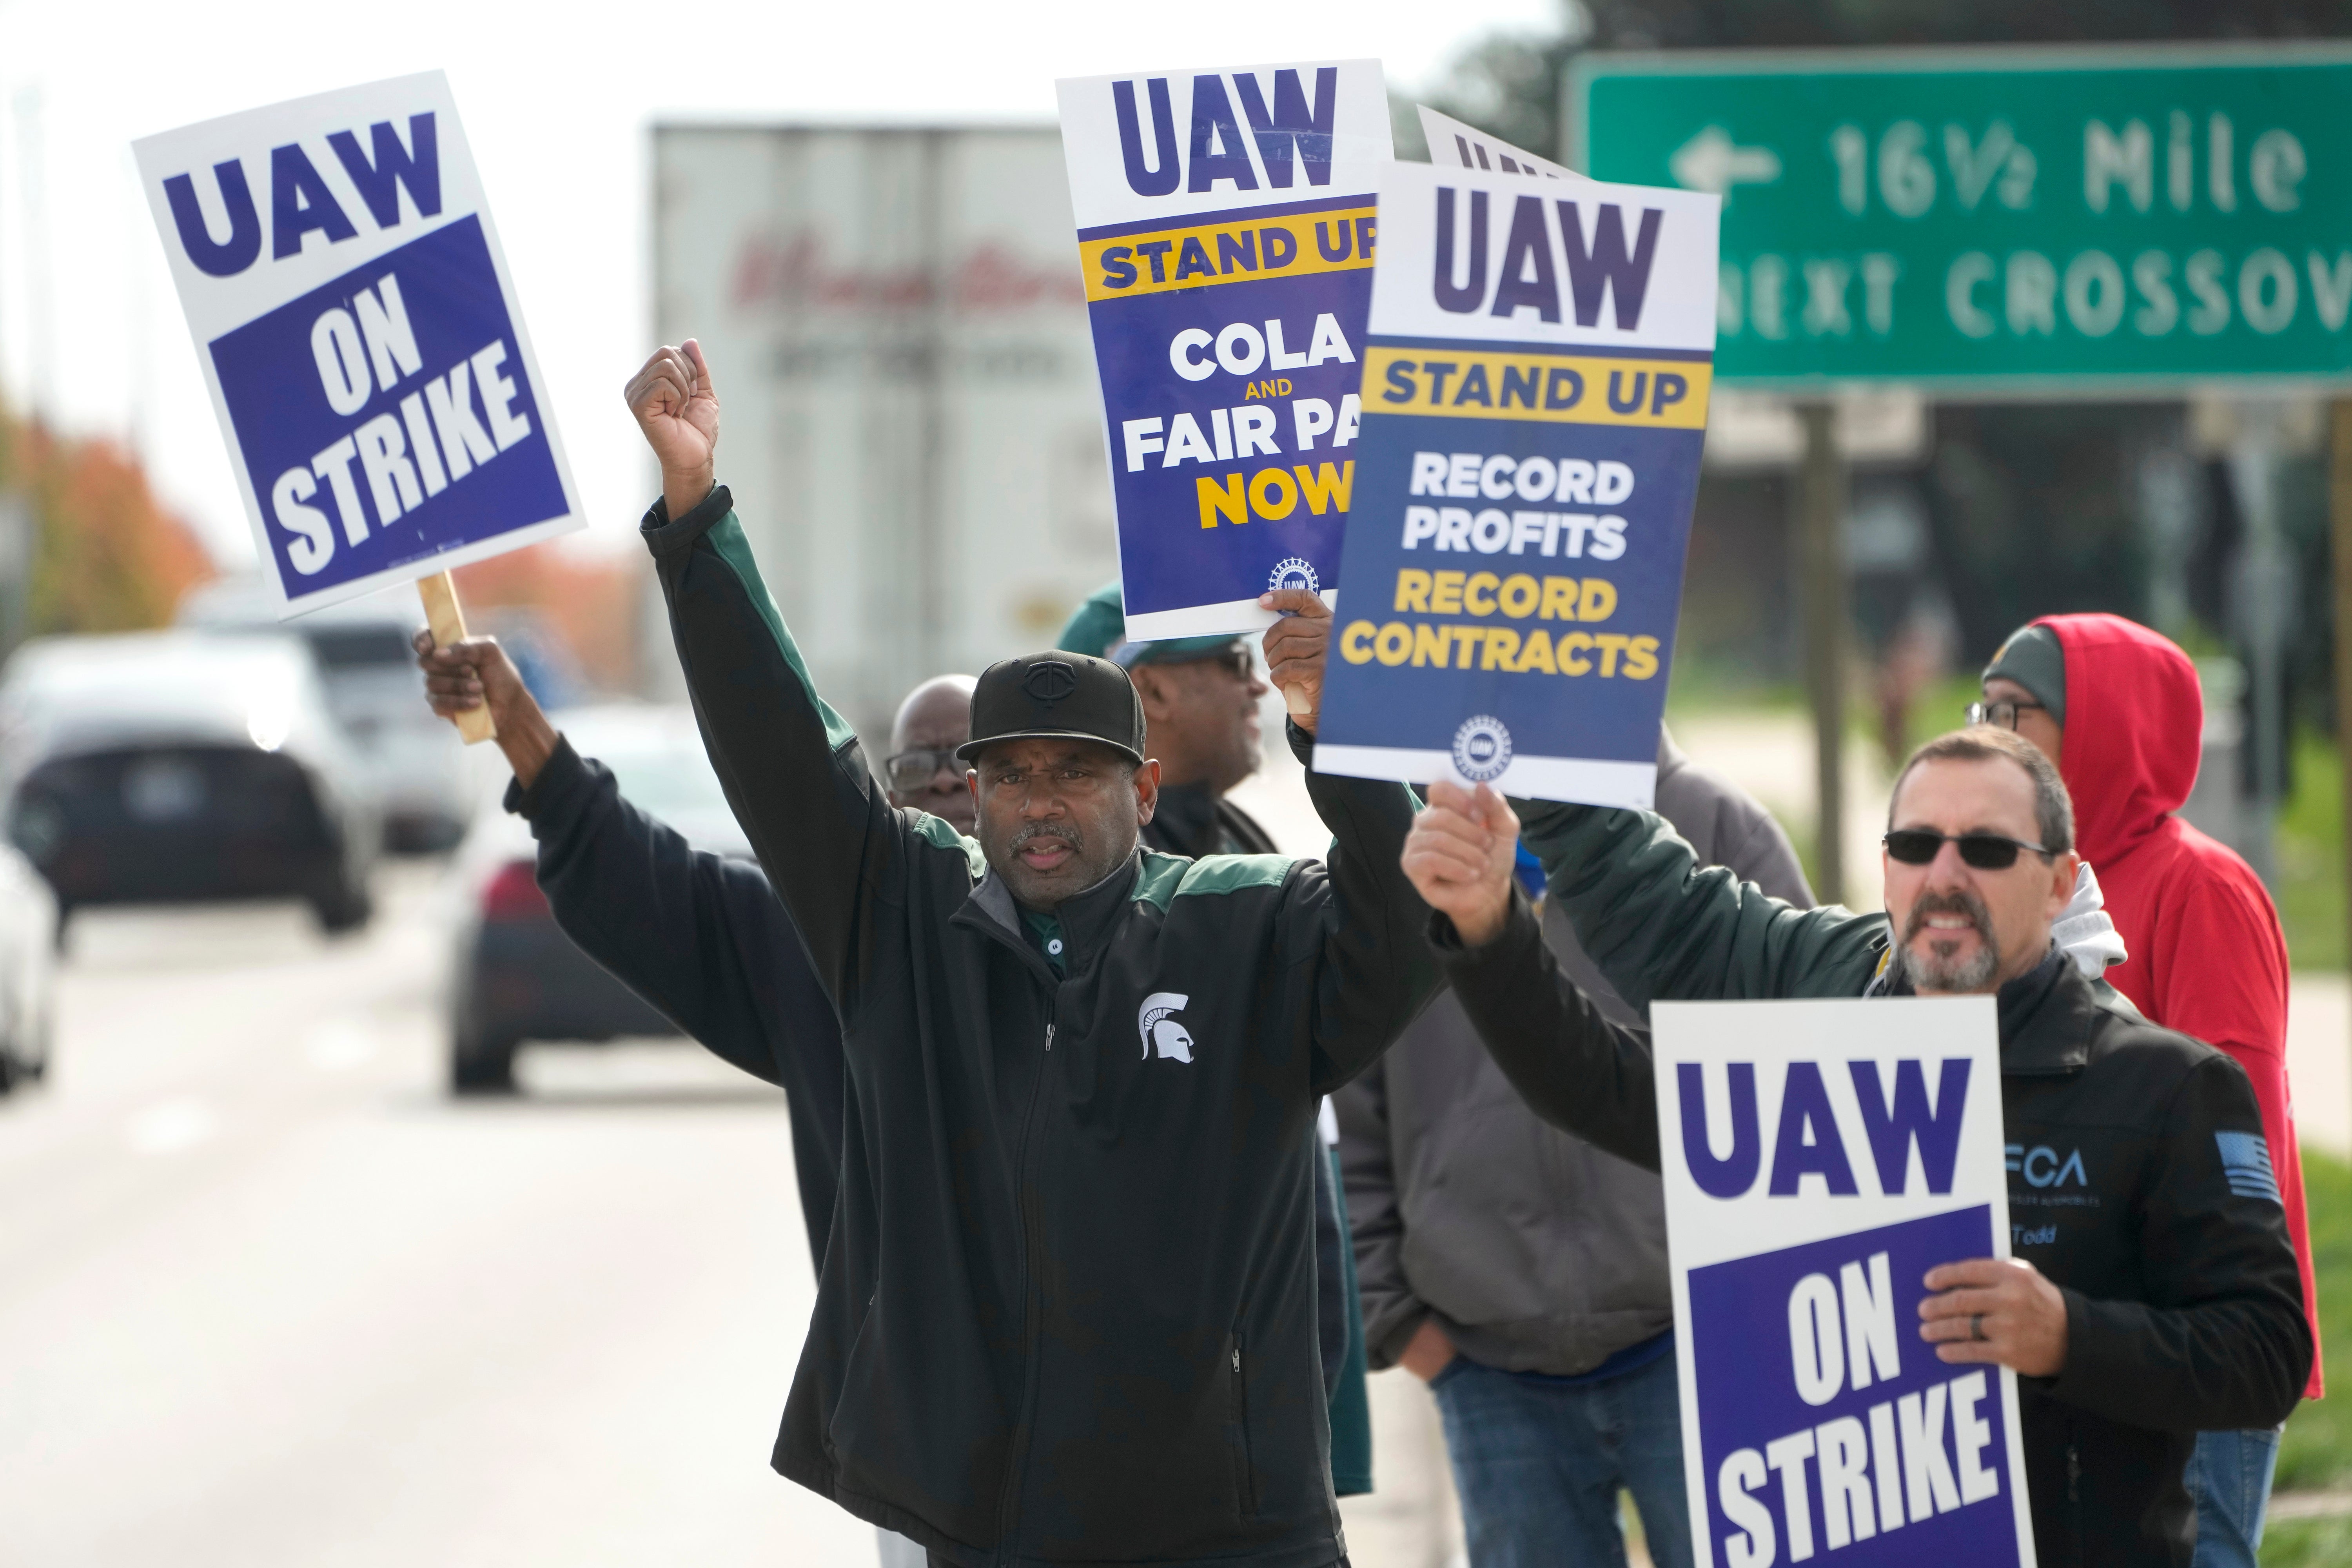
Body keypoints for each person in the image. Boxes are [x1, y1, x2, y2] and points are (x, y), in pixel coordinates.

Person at [624, 339, 1434, 1566]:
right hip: (991, 1526)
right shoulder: (906, 926)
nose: (1037, 805)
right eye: (1008, 777)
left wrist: (1343, 733)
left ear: (1146, 786)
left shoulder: (1245, 926)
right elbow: (791, 755)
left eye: (1074, 775)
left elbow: (1404, 931)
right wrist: (697, 516)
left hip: (1235, 1530)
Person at [1401, 727, 2311, 1568]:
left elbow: (2267, 1351)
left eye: (1988, 849)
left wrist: (2068, 1333)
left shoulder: (2166, 1086)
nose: (1945, 876)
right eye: (1915, 846)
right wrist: (1489, 936)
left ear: (2063, 879)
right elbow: (1595, 1085)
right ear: (1886, 869)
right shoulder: (1817, 1061)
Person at [413, 641, 975, 1568]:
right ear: (889, 797)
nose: (952, 780)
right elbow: (640, 874)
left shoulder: (1118, 940)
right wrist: (517, 725)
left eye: (976, 757)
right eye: (922, 763)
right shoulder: (819, 955)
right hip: (929, 1448)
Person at [1336, 727, 1811, 1568]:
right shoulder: (1409, 839)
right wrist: (1399, 1317)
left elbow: (1804, 1072)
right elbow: (1349, 1090)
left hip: (1702, 1341)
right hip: (1487, 1359)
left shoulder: (1714, 822)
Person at [1978, 614, 2321, 1568]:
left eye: (2017, 712)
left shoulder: (2199, 885)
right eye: (1982, 707)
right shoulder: (2024, 881)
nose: (1991, 733)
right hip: (2076, 1331)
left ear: (2107, 727)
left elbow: (2224, 1118)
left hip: (2184, 1335)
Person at [1060, 582, 1375, 1497]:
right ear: (1150, 692)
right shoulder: (1082, 892)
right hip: (1176, 1451)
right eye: (1236, 663)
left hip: (1272, 1421)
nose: (1257, 688)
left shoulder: (1236, 838)